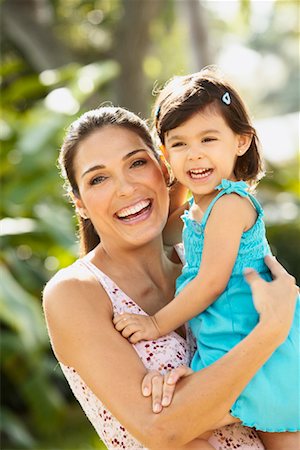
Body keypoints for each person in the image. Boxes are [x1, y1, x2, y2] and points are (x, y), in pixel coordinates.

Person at [43, 106, 298, 450]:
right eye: (98, 179)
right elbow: (163, 429)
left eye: (136, 163)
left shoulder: (204, 263)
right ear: (80, 204)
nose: (125, 188)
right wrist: (270, 332)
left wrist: (195, 399)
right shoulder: (76, 293)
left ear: (164, 169)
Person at [113, 70, 300, 449]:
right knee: (187, 430)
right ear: (164, 154)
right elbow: (157, 233)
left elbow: (211, 281)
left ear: (241, 141)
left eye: (208, 139)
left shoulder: (230, 204)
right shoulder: (198, 208)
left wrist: (154, 324)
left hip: (254, 347)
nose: (194, 153)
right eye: (178, 144)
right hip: (227, 344)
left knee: (187, 430)